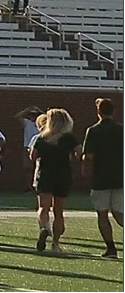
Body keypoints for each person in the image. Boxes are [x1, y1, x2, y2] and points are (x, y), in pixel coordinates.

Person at [28, 108, 79, 252]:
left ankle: (44, 227)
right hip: (63, 174)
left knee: (43, 208)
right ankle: (56, 244)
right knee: (59, 211)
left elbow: (33, 156)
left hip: (45, 174)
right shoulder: (69, 138)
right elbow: (80, 152)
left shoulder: (41, 138)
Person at [81, 98, 123, 258]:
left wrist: (86, 171)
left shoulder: (93, 131)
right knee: (119, 213)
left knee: (102, 213)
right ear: (113, 111)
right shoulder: (121, 129)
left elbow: (89, 156)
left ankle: (111, 248)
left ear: (98, 111)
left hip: (101, 177)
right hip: (120, 176)